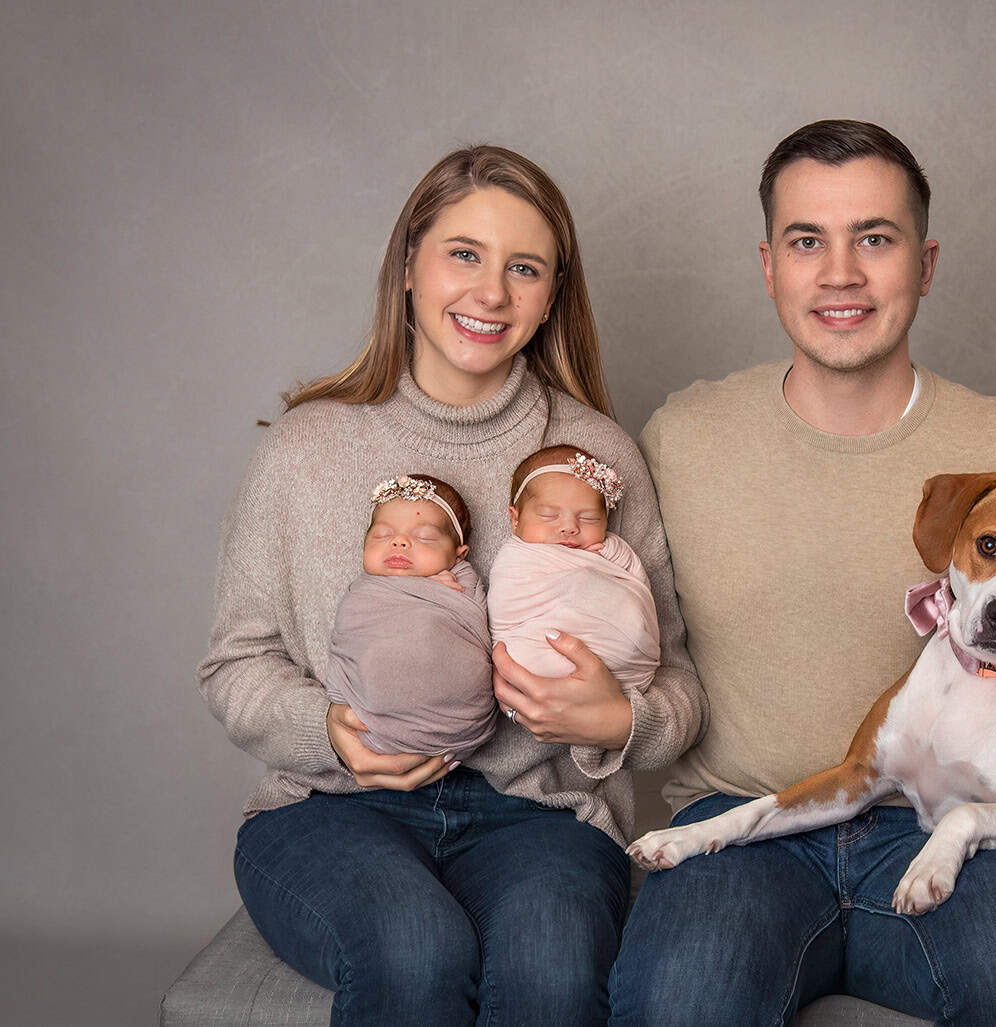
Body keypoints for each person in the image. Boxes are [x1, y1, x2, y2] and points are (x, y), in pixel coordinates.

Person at [610, 120, 996, 1025]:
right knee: (678, 999)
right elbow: (626, 630)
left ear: (926, 262)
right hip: (749, 819)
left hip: (966, 829)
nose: (840, 273)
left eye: (875, 238)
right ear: (769, 265)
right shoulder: (683, 439)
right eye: (807, 241)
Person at [199, 145, 705, 1026]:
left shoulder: (598, 459)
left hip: (540, 817)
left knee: (552, 971)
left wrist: (621, 720)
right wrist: (328, 729)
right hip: (331, 807)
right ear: (408, 265)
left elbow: (682, 686)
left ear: (553, 293)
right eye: (464, 253)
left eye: (525, 268)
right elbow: (234, 665)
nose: (491, 292)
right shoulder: (304, 450)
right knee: (414, 949)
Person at [323, 473, 497, 762]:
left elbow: (473, 627)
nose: (399, 542)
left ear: (458, 556)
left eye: (424, 537)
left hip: (460, 723)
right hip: (363, 733)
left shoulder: (461, 582)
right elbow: (349, 639)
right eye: (382, 535)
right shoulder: (364, 594)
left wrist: (432, 588)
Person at [488, 444, 660, 692]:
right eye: (549, 515)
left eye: (588, 518)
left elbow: (637, 587)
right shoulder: (514, 559)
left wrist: (606, 556)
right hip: (535, 654)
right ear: (515, 519)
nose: (569, 527)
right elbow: (506, 608)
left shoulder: (610, 548)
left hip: (623, 666)